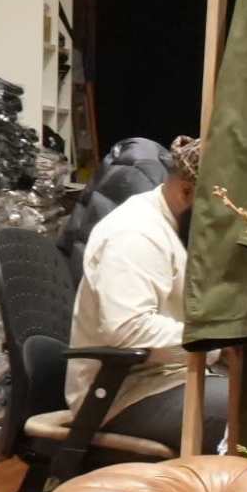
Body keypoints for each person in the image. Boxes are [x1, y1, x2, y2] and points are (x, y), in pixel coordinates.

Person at [63, 135, 220, 453]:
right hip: (120, 394)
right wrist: (216, 342)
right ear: (186, 191)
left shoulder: (174, 226)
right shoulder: (136, 233)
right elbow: (128, 330)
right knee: (245, 418)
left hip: (168, 378)